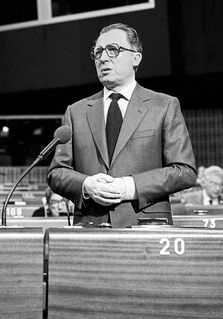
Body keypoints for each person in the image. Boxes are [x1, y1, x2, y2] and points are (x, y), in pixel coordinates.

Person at [48, 22, 197, 228]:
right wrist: (86, 185)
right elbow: (56, 173)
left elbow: (185, 170)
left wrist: (129, 186)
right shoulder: (76, 111)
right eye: (98, 52)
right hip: (90, 227)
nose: (103, 58)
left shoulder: (164, 105)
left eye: (113, 50)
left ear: (136, 58)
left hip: (146, 226)